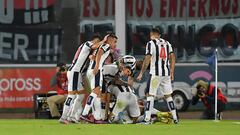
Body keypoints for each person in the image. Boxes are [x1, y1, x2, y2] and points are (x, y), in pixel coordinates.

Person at [59, 34, 108, 124]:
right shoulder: (87, 44)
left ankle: (72, 117)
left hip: (77, 73)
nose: (97, 44)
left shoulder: (87, 49)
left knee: (81, 95)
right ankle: (63, 118)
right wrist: (104, 41)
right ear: (93, 40)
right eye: (96, 41)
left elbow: (89, 56)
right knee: (71, 95)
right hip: (75, 72)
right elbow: (95, 46)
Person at [137, 28, 179, 124]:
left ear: (151, 34)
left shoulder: (150, 43)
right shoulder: (167, 43)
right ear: (159, 35)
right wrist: (172, 72)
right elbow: (172, 57)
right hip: (166, 74)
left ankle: (147, 119)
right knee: (168, 96)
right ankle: (175, 118)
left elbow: (147, 59)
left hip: (155, 74)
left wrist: (141, 73)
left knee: (150, 95)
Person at [81, 33, 118, 123]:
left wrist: (94, 60)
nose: (115, 44)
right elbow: (100, 53)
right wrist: (97, 65)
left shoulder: (100, 46)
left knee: (97, 95)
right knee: (96, 92)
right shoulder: (106, 45)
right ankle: (84, 113)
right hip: (96, 70)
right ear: (109, 40)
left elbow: (94, 55)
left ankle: (97, 117)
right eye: (115, 41)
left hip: (91, 70)